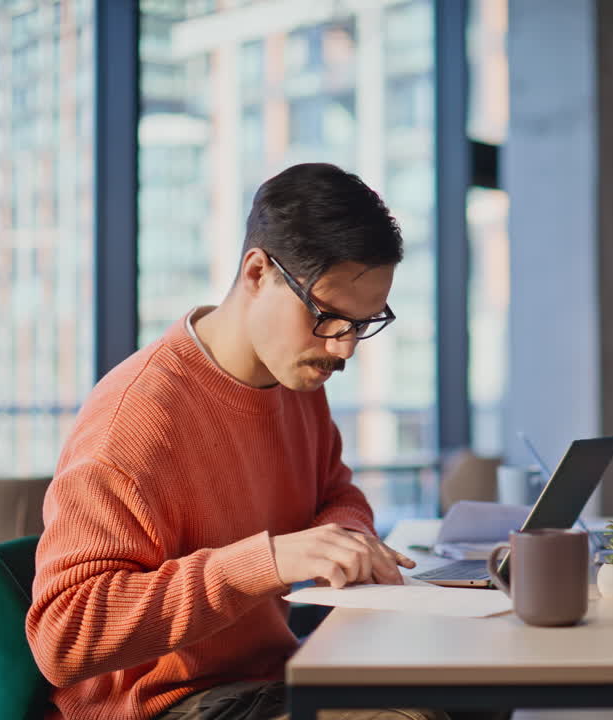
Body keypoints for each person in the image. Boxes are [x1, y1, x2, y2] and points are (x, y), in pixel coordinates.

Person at [27, 163, 443, 720]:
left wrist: (343, 536)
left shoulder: (297, 381)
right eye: (328, 317)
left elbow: (336, 492)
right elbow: (65, 637)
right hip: (160, 704)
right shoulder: (134, 418)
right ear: (256, 273)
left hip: (264, 677)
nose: (344, 349)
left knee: (461, 683)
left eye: (363, 323)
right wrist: (265, 561)